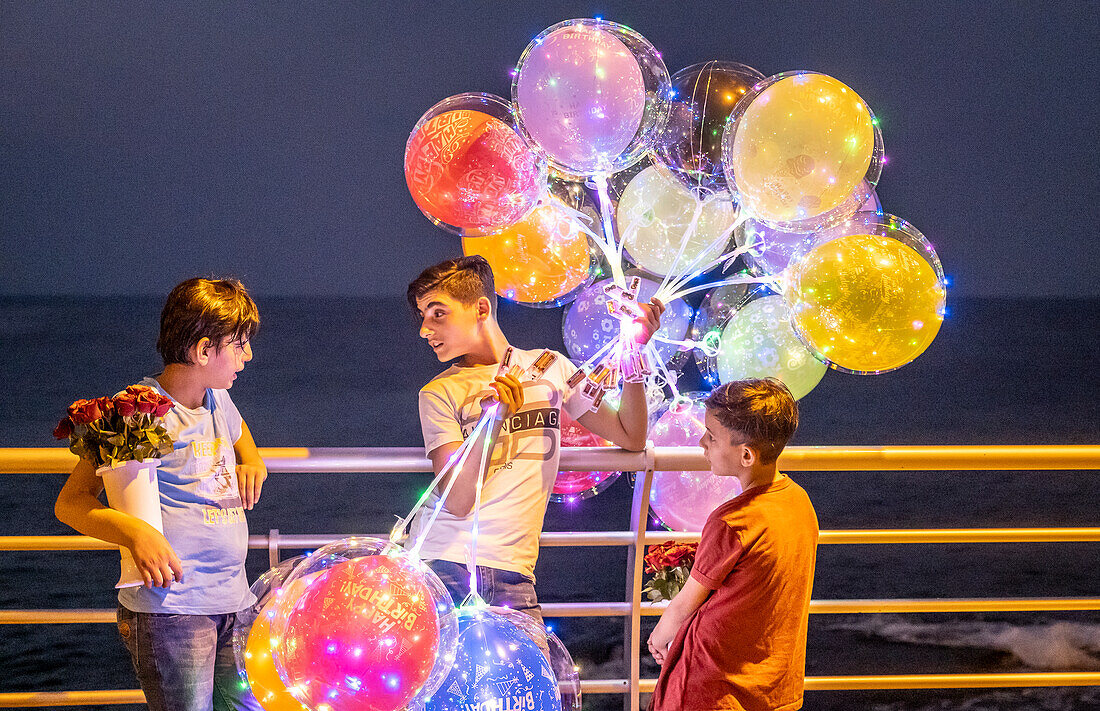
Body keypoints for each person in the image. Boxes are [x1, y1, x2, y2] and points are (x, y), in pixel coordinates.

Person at [406, 255, 663, 622]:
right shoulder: (439, 392)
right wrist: (492, 420)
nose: (424, 329)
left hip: (513, 575)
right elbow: (459, 500)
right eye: (423, 316)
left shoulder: (551, 366)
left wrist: (634, 350)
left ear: (480, 308)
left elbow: (630, 435)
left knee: (538, 679)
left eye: (437, 313)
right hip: (444, 567)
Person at [55, 277, 267, 711]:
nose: (247, 356)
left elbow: (240, 434)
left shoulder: (217, 400)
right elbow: (71, 503)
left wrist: (253, 460)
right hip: (173, 609)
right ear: (204, 350)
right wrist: (136, 534)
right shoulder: (139, 413)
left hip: (235, 602)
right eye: (239, 344)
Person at [647, 378, 819, 711]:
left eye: (711, 437)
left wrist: (658, 636)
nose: (701, 442)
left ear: (746, 455)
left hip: (712, 688)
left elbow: (685, 604)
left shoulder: (732, 522)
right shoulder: (799, 501)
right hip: (771, 686)